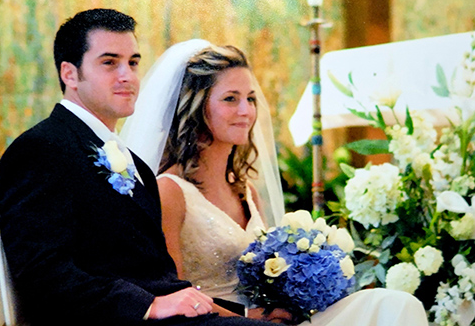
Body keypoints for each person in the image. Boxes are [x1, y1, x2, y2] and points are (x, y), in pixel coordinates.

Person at [0, 9, 278, 326]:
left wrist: (245, 314)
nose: (127, 76)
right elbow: (40, 273)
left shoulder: (136, 165)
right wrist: (148, 306)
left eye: (132, 62)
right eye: (109, 62)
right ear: (69, 74)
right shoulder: (41, 149)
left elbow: (159, 276)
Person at [120, 39, 430, 325]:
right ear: (197, 108)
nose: (246, 111)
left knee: (395, 304)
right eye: (231, 99)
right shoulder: (169, 191)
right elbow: (174, 294)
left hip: (267, 319)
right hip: (218, 323)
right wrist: (246, 315)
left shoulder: (246, 190)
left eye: (250, 98)